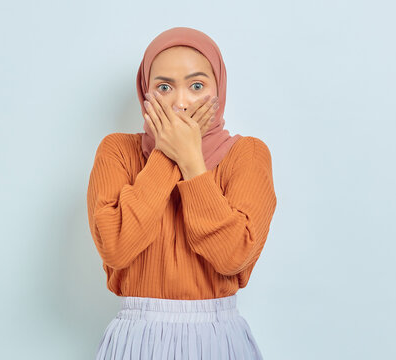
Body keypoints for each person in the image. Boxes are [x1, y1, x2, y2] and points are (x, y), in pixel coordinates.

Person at [87, 26, 277, 359]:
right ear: (145, 93)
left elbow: (233, 257)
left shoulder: (247, 154)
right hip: (136, 338)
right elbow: (116, 247)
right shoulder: (117, 150)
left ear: (220, 89)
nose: (181, 103)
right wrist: (166, 153)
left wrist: (192, 161)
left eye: (197, 86)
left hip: (216, 337)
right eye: (164, 87)